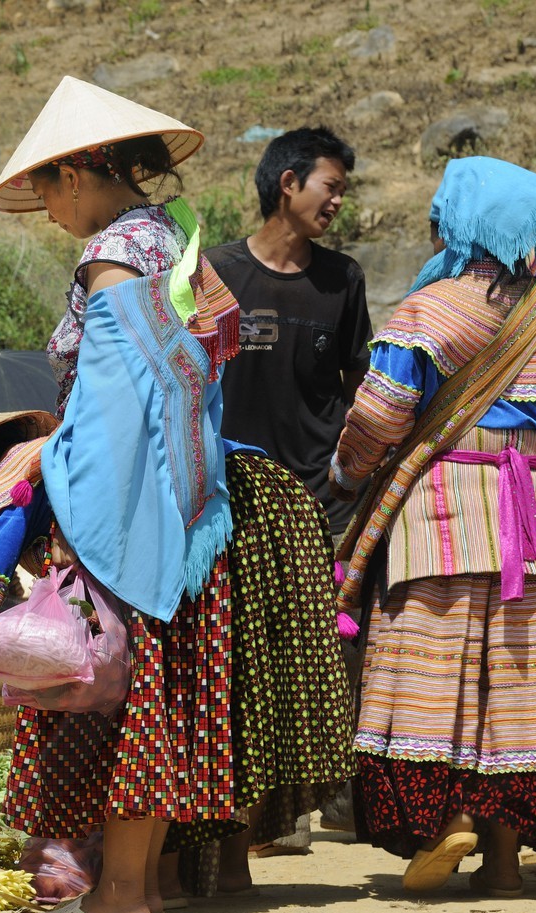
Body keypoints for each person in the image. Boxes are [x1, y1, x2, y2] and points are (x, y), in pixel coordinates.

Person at [0, 77, 350, 913]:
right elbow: (189, 383)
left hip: (134, 507)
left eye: (50, 187)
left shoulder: (117, 256)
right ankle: (143, 887)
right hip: (191, 504)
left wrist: (54, 471)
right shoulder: (173, 238)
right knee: (160, 701)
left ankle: (121, 896)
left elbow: (118, 404)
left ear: (85, 171)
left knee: (127, 706)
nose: (48, 208)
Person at [331, 156, 536, 896]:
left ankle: (449, 816)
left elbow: (381, 413)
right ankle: (508, 865)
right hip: (535, 520)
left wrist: (348, 469)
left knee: (440, 671)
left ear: (459, 223)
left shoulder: (431, 308)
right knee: (512, 686)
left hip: (445, 513)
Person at [200, 126, 373, 872]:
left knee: (313, 661)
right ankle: (235, 832)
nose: (338, 201)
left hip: (316, 502)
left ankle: (302, 807)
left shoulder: (343, 280)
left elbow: (360, 389)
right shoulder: (214, 272)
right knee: (238, 660)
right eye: (329, 186)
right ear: (287, 185)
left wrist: (349, 479)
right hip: (230, 498)